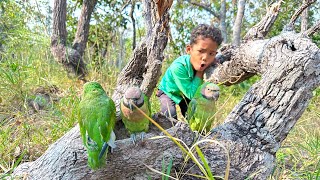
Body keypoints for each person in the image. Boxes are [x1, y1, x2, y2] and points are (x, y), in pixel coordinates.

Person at [156, 24, 223, 119]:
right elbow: (191, 94)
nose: (205, 58)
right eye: (201, 51)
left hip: (186, 92)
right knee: (170, 115)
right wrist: (200, 72)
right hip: (169, 92)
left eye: (211, 54)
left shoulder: (208, 61)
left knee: (193, 115)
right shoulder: (179, 67)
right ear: (189, 49)